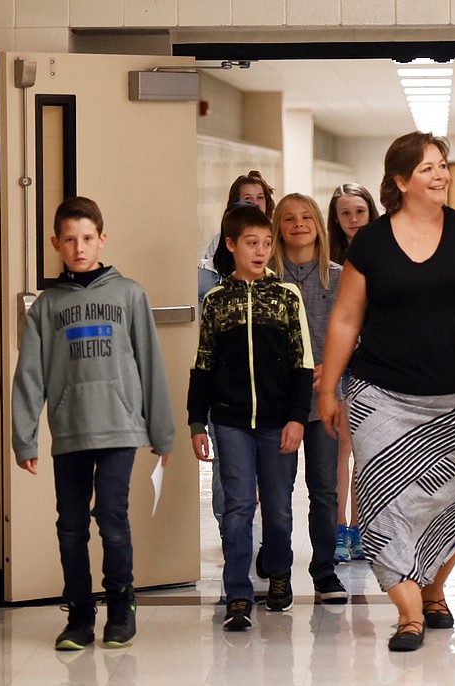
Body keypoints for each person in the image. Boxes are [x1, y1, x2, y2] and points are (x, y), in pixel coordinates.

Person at [317, 131, 455, 652]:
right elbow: (345, 318)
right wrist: (328, 389)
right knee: (382, 503)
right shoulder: (373, 242)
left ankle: (434, 592)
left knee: (451, 502)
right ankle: (408, 613)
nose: (441, 174)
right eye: (428, 167)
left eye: (443, 165)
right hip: (380, 391)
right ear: (401, 181)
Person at [12, 196, 175, 651]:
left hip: (121, 426)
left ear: (102, 239)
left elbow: (151, 364)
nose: (79, 247)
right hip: (70, 429)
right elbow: (29, 374)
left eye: (87, 238)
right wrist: (24, 439)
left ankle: (121, 604)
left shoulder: (130, 295)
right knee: (70, 526)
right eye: (69, 239)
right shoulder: (46, 307)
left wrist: (161, 432)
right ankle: (80, 614)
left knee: (112, 515)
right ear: (56, 244)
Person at [188, 203, 314, 632]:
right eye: (250, 243)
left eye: (265, 244)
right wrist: (195, 422)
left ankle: (278, 572)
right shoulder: (217, 302)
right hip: (230, 422)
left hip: (279, 421)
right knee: (238, 508)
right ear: (231, 245)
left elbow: (303, 363)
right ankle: (238, 592)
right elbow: (202, 363)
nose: (260, 252)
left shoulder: (285, 296)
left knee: (278, 508)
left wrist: (298, 418)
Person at [269, 192, 348, 604]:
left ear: (318, 224)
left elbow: (356, 336)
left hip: (325, 400)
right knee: (277, 493)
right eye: (289, 219)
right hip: (277, 404)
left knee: (324, 491)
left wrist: (331, 372)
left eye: (306, 217)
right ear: (277, 229)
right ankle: (279, 572)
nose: (299, 224)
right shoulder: (265, 279)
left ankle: (324, 572)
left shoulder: (340, 278)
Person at [198, 171, 279, 534]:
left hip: (268, 386)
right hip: (228, 387)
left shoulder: (275, 262)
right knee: (227, 468)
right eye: (244, 198)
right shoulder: (216, 257)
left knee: (270, 472)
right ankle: (232, 531)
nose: (252, 203)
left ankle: (264, 540)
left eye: (258, 198)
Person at [326, 182, 380, 563]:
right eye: (345, 213)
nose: (353, 219)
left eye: (359, 211)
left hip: (373, 362)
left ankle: (361, 528)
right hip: (338, 363)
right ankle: (340, 527)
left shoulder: (383, 251)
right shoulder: (327, 258)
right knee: (339, 449)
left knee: (365, 450)